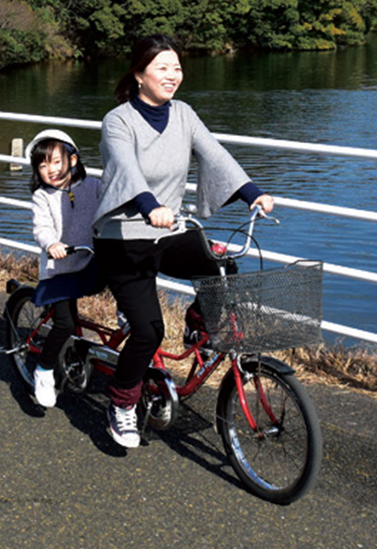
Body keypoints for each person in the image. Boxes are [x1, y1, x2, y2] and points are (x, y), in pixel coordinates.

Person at [93, 34, 274, 449]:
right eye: (162, 68)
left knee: (218, 267)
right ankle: (121, 405)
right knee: (149, 330)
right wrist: (148, 205)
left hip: (169, 230)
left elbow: (215, 154)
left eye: (177, 67)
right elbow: (124, 169)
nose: (172, 75)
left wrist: (253, 192)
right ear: (139, 75)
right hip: (124, 237)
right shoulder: (118, 120)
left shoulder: (184, 114)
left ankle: (198, 330)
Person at [26, 129, 103, 408]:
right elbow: (41, 228)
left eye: (57, 161)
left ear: (72, 159)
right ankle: (44, 371)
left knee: (127, 284)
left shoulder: (94, 186)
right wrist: (51, 244)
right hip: (59, 269)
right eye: (43, 165)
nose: (51, 170)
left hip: (90, 260)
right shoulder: (41, 197)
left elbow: (114, 202)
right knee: (66, 323)